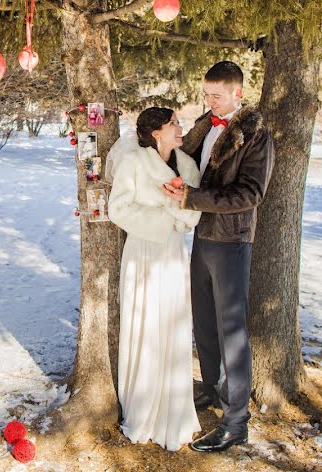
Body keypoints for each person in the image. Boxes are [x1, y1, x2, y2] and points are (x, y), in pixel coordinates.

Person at [164, 61, 275, 453]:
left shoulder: (256, 135)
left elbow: (250, 194)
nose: (208, 102)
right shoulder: (203, 125)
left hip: (232, 242)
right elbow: (177, 158)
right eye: (206, 94)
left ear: (237, 94)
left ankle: (236, 422)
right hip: (202, 236)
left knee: (232, 333)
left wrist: (192, 199)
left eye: (216, 96)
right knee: (205, 323)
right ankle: (212, 389)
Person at [106, 107, 203, 451]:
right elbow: (117, 208)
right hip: (145, 250)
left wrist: (180, 214)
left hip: (175, 252)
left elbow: (195, 208)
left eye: (178, 122)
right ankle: (143, 406)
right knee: (146, 322)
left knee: (173, 325)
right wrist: (162, 217)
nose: (181, 128)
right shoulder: (134, 162)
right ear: (156, 133)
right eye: (174, 124)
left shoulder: (188, 166)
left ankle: (174, 409)